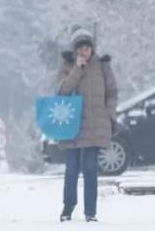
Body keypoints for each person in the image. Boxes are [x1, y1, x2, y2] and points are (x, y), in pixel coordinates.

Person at [56, 26, 118, 223]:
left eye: (87, 48)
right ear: (75, 50)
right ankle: (68, 207)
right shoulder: (67, 65)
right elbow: (62, 91)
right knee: (72, 168)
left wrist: (108, 113)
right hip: (73, 126)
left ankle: (90, 211)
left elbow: (112, 92)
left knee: (90, 169)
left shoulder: (102, 65)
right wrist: (77, 69)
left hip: (94, 126)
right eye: (80, 48)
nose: (84, 51)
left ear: (92, 48)